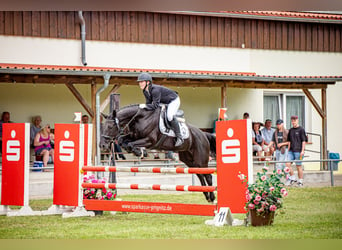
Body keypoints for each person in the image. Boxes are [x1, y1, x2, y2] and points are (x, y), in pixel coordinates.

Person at [137, 72, 183, 147]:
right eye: (139, 82)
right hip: (163, 102)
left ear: (148, 82)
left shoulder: (155, 90)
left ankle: (179, 137)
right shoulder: (145, 91)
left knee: (169, 116)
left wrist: (144, 106)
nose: (140, 83)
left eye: (141, 82)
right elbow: (149, 104)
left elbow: (154, 105)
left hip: (173, 100)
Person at [285, 115, 307, 187]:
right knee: (287, 164)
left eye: (294, 120)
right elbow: (289, 142)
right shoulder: (290, 130)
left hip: (299, 151)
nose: (293, 122)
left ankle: (300, 181)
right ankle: (293, 178)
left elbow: (304, 141)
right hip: (291, 150)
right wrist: (287, 151)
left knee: (298, 166)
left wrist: (302, 151)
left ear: (297, 120)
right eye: (292, 120)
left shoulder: (301, 130)